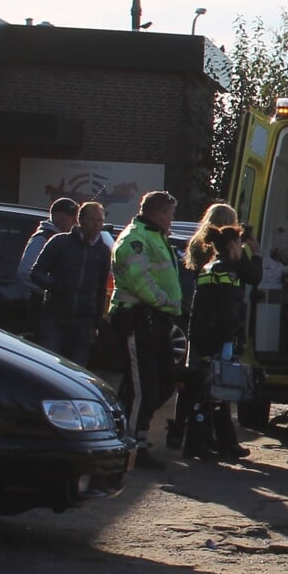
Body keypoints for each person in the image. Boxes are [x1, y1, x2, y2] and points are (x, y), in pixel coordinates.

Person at [110, 191, 182, 444]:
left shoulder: (155, 236)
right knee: (143, 387)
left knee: (162, 382)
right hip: (138, 319)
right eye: (171, 214)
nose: (172, 220)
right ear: (159, 213)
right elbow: (141, 281)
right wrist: (166, 303)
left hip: (155, 319)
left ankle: (127, 429)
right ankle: (134, 444)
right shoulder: (135, 239)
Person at [175, 225, 251, 461]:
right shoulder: (226, 272)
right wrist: (229, 341)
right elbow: (228, 311)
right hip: (216, 339)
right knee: (210, 394)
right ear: (231, 245)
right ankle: (197, 444)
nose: (242, 248)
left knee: (212, 394)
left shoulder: (209, 267)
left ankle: (224, 443)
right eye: (240, 244)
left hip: (203, 336)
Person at [29, 200, 112, 366]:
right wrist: (58, 286)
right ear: (80, 220)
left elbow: (101, 288)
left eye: (100, 221)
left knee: (77, 370)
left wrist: (96, 323)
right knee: (49, 365)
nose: (97, 225)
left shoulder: (102, 251)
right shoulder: (60, 242)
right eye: (92, 220)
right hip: (55, 315)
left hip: (83, 320)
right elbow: (36, 273)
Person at [18, 197, 78, 281]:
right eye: (71, 216)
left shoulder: (70, 239)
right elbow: (25, 271)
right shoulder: (42, 238)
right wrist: (49, 288)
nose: (75, 221)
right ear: (57, 216)